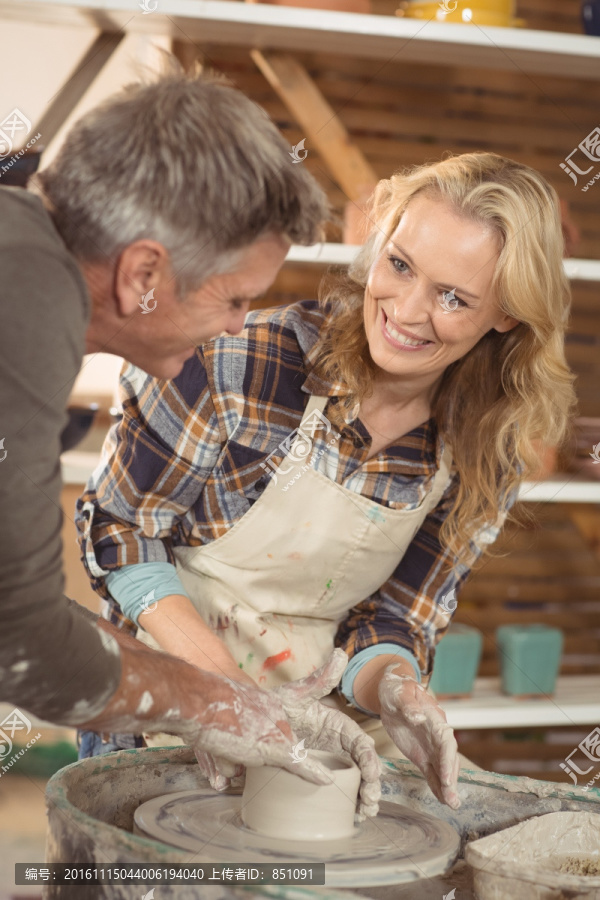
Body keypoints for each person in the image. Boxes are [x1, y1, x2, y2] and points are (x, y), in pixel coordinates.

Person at [75, 151, 576, 809]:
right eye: (399, 266)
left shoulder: (487, 448)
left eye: (453, 297)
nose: (407, 310)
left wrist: (396, 688)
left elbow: (393, 617)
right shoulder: (238, 362)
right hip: (168, 693)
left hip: (318, 726)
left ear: (507, 313)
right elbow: (121, 529)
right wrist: (224, 695)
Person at [0, 67, 384, 807]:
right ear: (143, 273)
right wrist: (221, 707)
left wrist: (213, 689)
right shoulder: (24, 296)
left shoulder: (23, 252)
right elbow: (21, 643)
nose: (242, 324)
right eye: (235, 298)